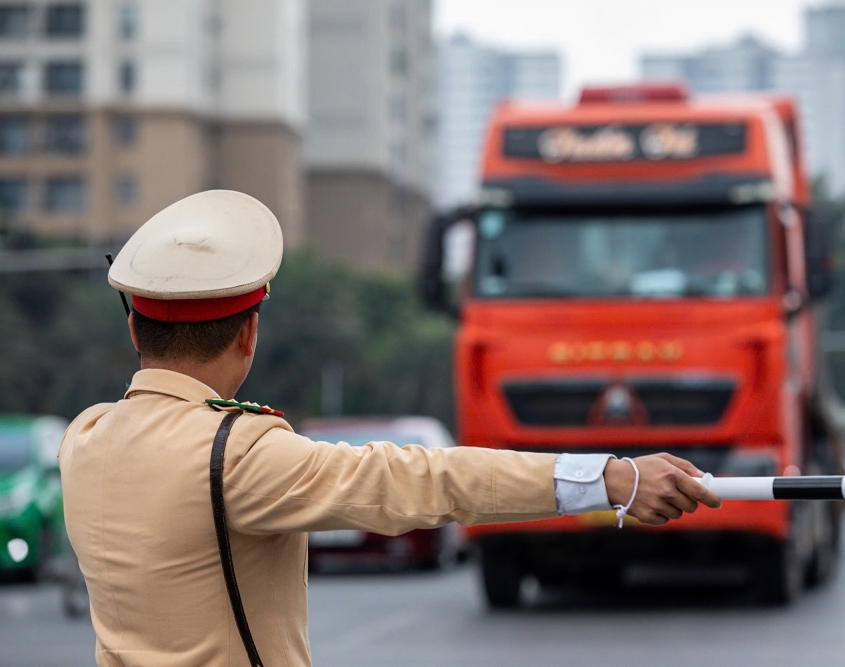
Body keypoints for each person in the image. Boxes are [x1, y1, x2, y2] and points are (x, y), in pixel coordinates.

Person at [58, 190, 721, 667]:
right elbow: (416, 479)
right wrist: (613, 477)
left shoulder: (84, 439)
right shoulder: (234, 452)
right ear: (250, 331)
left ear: (132, 326)